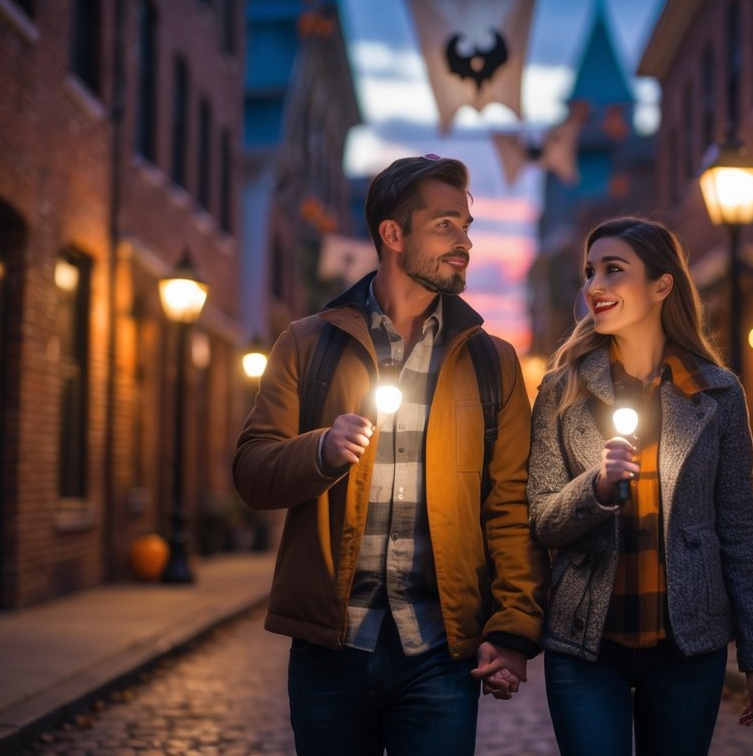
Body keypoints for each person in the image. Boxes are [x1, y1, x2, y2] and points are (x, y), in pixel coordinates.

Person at [233, 154, 547, 756]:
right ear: (393, 234)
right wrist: (320, 450)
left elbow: (511, 507)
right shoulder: (306, 344)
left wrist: (512, 630)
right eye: (445, 225)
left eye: (466, 226)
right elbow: (251, 473)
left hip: (440, 653)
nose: (464, 242)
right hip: (329, 648)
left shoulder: (493, 362)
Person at [527, 217, 753, 756]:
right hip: (586, 643)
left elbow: (739, 527)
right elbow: (541, 519)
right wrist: (596, 488)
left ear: (662, 284)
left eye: (614, 270)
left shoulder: (716, 393)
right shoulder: (561, 390)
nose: (595, 286)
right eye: (590, 272)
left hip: (687, 645)